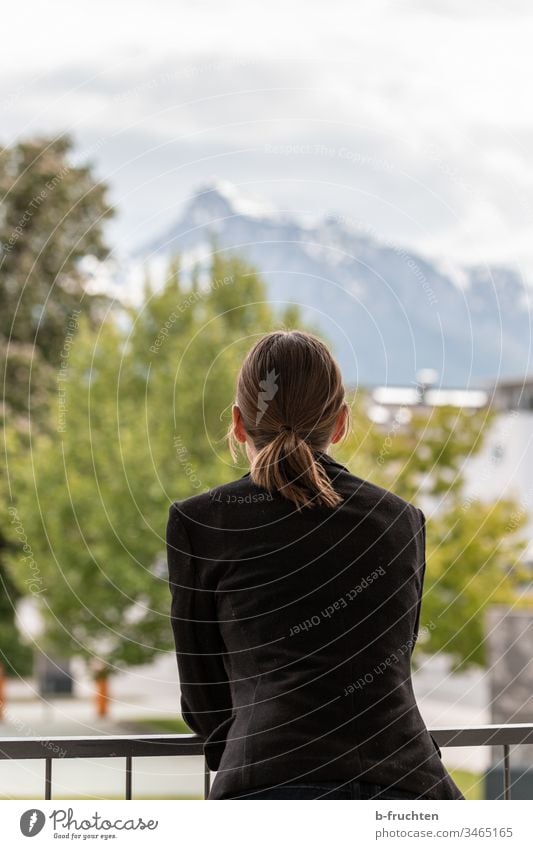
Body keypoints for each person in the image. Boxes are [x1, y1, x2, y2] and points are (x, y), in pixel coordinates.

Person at [166, 330, 464, 800]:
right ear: (342, 423)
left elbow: (203, 694)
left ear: (239, 423)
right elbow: (391, 662)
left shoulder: (201, 522)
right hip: (405, 786)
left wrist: (246, 756)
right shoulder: (399, 520)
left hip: (266, 786)